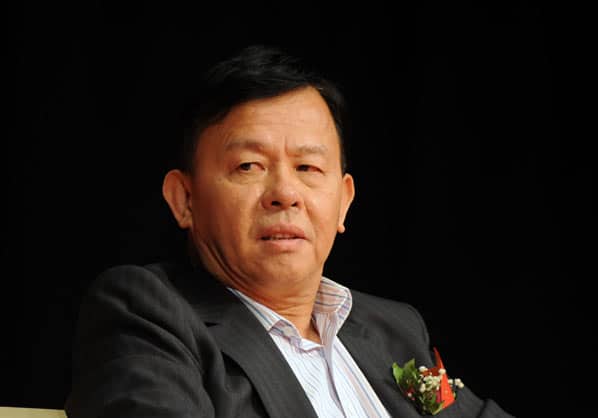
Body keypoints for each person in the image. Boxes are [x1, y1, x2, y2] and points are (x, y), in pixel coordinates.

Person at [65, 45, 514, 417]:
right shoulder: (146, 315)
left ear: (344, 201)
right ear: (184, 199)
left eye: (307, 167)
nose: (284, 193)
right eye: (249, 166)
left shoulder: (393, 328)